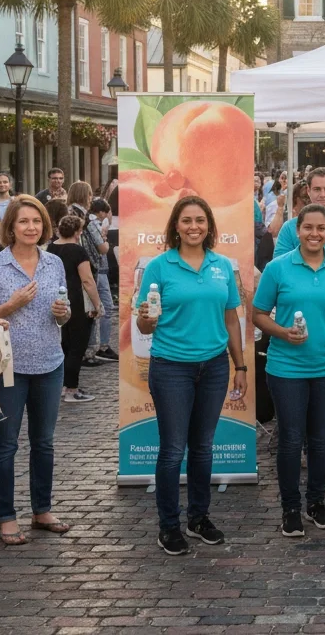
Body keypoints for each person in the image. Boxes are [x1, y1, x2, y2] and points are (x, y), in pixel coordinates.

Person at [136, 196, 248, 555]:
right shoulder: (159, 267)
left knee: (202, 448)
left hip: (214, 366)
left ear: (210, 225)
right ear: (175, 226)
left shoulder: (221, 266)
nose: (194, 226)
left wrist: (240, 365)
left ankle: (198, 518)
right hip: (171, 367)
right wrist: (145, 319)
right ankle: (168, 526)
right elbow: (143, 321)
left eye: (200, 220)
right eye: (187, 221)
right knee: (172, 450)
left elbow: (231, 318)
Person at [252, 204, 325, 538]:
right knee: (290, 438)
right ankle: (290, 507)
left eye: (321, 228)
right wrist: (283, 332)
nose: (315, 234)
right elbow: (257, 314)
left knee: (320, 439)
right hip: (286, 368)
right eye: (308, 228)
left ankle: (316, 502)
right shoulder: (278, 268)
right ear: (297, 230)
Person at [0, 196, 73, 546]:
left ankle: (41, 509)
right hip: (6, 370)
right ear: (9, 227)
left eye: (37, 221)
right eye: (24, 222)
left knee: (43, 443)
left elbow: (65, 312)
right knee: (6, 444)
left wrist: (63, 313)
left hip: (50, 363)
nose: (32, 228)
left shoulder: (54, 263)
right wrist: (10, 306)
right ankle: (7, 517)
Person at [47, 216, 103, 403]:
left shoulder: (52, 247)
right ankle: (72, 389)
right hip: (76, 302)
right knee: (77, 347)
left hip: (56, 300)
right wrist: (97, 304)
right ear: (78, 232)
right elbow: (87, 280)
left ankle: (63, 385)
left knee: (64, 345)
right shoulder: (78, 251)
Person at [67, 182, 114, 367]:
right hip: (88, 265)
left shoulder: (67, 212)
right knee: (93, 307)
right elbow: (102, 248)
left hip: (69, 265)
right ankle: (89, 351)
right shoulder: (86, 217)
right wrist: (105, 239)